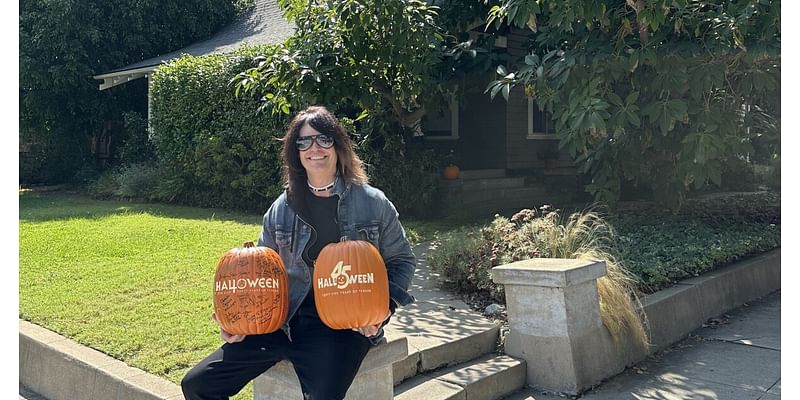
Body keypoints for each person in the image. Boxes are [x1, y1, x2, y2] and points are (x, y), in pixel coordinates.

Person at [181, 105, 416, 400]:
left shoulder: (372, 202)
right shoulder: (281, 209)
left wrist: (384, 310)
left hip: (344, 325)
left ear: (338, 145)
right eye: (304, 142)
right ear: (296, 152)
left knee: (323, 394)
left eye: (323, 139)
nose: (314, 148)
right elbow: (261, 273)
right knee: (198, 385)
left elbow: (402, 260)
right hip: (285, 320)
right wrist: (238, 321)